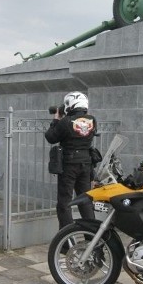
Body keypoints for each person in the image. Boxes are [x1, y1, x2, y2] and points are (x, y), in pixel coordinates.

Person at [45, 91, 98, 229]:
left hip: (69, 165)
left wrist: (56, 119)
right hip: (86, 164)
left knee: (64, 203)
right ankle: (92, 236)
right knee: (85, 200)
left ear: (70, 104)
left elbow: (51, 137)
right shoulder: (92, 120)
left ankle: (66, 240)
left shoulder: (65, 122)